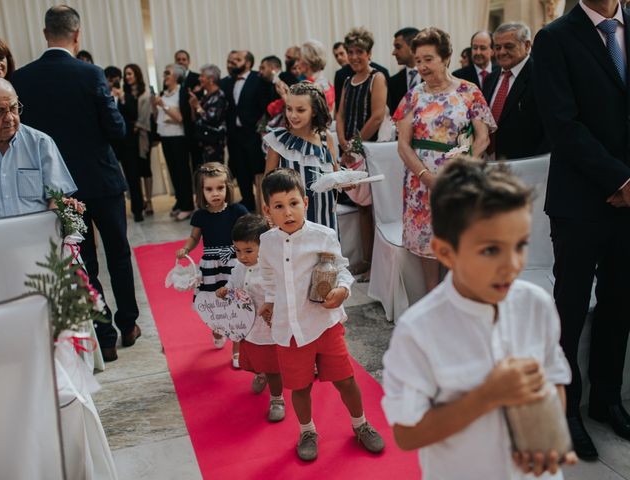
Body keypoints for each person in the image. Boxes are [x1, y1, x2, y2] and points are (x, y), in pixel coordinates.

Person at [382, 156, 578, 479]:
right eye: (491, 250)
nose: (512, 265)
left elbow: (554, 379)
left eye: (520, 245)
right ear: (445, 253)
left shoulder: (537, 305)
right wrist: (487, 396)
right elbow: (407, 434)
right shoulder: (418, 331)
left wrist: (548, 440)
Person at [11, 5, 139, 362]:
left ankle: (105, 334)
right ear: (77, 34)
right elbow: (117, 129)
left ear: (44, 34)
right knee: (118, 253)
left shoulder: (22, 80)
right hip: (102, 178)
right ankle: (129, 323)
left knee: (83, 261)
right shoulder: (91, 74)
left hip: (60, 188)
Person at [533, 0, 630, 460]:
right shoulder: (554, 38)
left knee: (621, 299)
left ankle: (606, 398)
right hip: (579, 201)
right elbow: (562, 124)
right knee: (570, 306)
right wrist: (618, 180)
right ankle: (565, 406)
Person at [258, 168, 385, 461]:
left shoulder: (323, 236)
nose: (288, 212)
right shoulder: (267, 242)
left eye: (293, 203)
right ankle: (307, 430)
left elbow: (341, 268)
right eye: (279, 206)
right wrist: (269, 300)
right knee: (299, 387)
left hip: (323, 324)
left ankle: (361, 424)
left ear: (305, 202)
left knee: (345, 379)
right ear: (267, 210)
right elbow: (267, 275)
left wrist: (342, 290)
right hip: (289, 329)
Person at [394, 27, 495, 292]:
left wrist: (457, 171)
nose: (422, 66)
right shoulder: (413, 95)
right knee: (429, 241)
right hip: (421, 179)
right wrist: (426, 177)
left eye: (428, 59)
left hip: (459, 177)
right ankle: (432, 298)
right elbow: (403, 145)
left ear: (446, 57)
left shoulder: (469, 91)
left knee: (457, 237)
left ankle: (458, 298)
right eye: (418, 61)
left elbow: (482, 138)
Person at [176, 162, 248, 367]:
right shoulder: (200, 215)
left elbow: (248, 231)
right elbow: (193, 237)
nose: (215, 193)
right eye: (209, 189)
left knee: (235, 304)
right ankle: (217, 328)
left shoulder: (237, 210)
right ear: (201, 191)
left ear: (228, 188)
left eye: (220, 188)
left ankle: (237, 350)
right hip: (210, 267)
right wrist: (186, 249)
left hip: (233, 263)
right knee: (214, 303)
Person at [215, 214, 285, 422]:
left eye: (248, 251)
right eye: (237, 250)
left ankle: (277, 398)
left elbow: (280, 293)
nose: (242, 256)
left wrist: (274, 308)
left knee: (273, 366)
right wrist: (225, 290)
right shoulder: (239, 267)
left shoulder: (270, 269)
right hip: (247, 325)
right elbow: (234, 284)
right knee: (253, 357)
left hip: (267, 326)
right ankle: (260, 372)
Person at [336, 27, 388, 282]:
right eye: (351, 52)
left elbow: (378, 115)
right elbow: (340, 114)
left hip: (370, 153)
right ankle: (366, 261)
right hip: (352, 152)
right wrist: (343, 142)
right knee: (362, 210)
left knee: (375, 209)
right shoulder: (347, 81)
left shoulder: (376, 78)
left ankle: (376, 266)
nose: (354, 57)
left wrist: (354, 145)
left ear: (369, 53)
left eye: (360, 52)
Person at [0, 76, 76, 219]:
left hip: (36, 236)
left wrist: (49, 234)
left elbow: (58, 198)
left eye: (13, 108)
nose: (10, 118)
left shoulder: (40, 143)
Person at [264, 82, 338, 230]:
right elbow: (266, 184)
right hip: (291, 221)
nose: (293, 115)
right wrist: (268, 216)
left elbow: (336, 175)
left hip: (325, 217)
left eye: (301, 110)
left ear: (314, 111)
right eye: (289, 109)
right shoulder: (278, 141)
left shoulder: (326, 137)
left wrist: (348, 182)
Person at [483, 22, 547, 160]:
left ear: (527, 45)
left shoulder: (541, 76)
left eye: (509, 46)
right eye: (497, 47)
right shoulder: (490, 79)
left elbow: (550, 127)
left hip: (526, 164)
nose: (501, 52)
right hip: (489, 162)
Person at [221, 50, 268, 212]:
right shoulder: (227, 82)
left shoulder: (258, 79)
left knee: (258, 170)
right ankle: (247, 202)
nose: (233, 62)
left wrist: (262, 130)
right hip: (234, 135)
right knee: (240, 170)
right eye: (231, 60)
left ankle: (262, 204)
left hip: (253, 134)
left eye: (237, 60)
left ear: (248, 63)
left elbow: (265, 107)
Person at [152, 63, 194, 221]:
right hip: (165, 136)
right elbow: (160, 117)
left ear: (176, 76)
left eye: (167, 73)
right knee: (173, 172)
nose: (165, 76)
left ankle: (188, 205)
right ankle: (180, 201)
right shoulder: (164, 93)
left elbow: (181, 118)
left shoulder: (181, 93)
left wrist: (164, 106)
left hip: (178, 137)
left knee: (182, 172)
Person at [113, 63, 153, 221]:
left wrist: (134, 125)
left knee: (145, 169)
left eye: (130, 74)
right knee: (132, 175)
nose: (127, 77)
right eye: (126, 74)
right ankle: (138, 206)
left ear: (137, 74)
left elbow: (140, 115)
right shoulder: (124, 92)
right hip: (127, 140)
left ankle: (148, 202)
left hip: (142, 137)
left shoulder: (144, 92)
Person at [189, 64, 227, 164]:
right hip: (202, 141)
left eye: (202, 76)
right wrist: (193, 106)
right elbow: (196, 119)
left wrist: (197, 106)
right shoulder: (205, 96)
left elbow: (212, 119)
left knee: (213, 174)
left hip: (213, 143)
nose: (199, 78)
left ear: (211, 79)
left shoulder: (219, 96)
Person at [174, 49, 202, 169]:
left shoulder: (197, 78)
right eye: (178, 60)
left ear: (189, 61)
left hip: (194, 125)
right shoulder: (172, 79)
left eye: (183, 59)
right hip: (178, 127)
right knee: (182, 164)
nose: (181, 62)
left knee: (197, 161)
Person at [388, 27, 421, 114]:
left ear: (413, 47)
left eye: (398, 47)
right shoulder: (392, 82)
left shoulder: (434, 77)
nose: (394, 52)